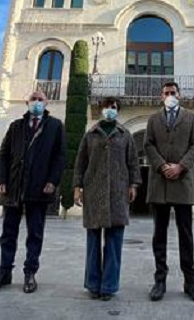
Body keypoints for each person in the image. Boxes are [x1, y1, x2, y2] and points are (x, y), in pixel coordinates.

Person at [0, 91, 66, 294]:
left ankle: (30, 273)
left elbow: (60, 157)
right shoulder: (15, 126)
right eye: (33, 99)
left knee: (35, 233)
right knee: (8, 233)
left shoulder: (55, 126)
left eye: (40, 100)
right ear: (27, 102)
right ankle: (4, 272)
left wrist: (52, 181)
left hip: (39, 188)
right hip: (13, 187)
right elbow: (3, 155)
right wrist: (1, 180)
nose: (36, 103)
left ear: (46, 103)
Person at [73, 97, 141, 301]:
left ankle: (109, 286)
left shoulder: (125, 134)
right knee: (93, 241)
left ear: (117, 111)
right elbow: (80, 162)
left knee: (114, 242)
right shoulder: (90, 135)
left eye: (113, 107)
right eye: (106, 107)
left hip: (118, 193)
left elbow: (132, 161)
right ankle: (93, 284)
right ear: (101, 109)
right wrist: (77, 187)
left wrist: (133, 184)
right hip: (93, 191)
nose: (110, 110)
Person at [144, 82, 194, 304]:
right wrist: (162, 166)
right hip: (159, 183)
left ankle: (191, 283)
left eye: (173, 93)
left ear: (179, 95)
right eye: (166, 93)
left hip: (183, 182)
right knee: (159, 235)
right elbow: (148, 145)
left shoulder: (191, 117)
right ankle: (159, 281)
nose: (170, 96)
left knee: (186, 234)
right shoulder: (153, 119)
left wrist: (180, 166)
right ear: (161, 96)